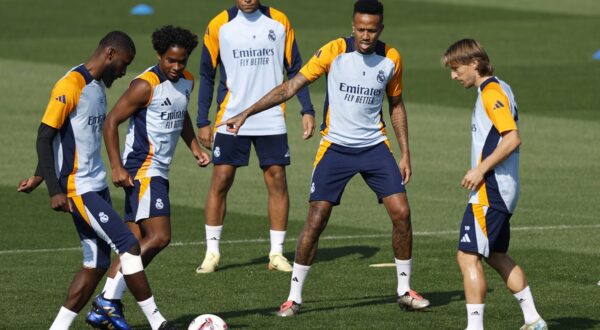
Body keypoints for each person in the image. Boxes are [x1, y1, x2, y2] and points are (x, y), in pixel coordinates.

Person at [218, 0, 430, 316]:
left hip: (375, 147)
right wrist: (246, 113)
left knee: (402, 213)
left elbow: (396, 106)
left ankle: (404, 290)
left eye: (372, 30)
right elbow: (290, 87)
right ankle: (294, 297)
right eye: (360, 29)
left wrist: (406, 154)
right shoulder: (334, 51)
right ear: (353, 26)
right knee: (317, 219)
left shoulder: (391, 59)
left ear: (380, 28)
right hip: (335, 148)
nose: (366, 36)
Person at [16, 31, 176, 330]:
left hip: (97, 186)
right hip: (78, 188)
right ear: (110, 54)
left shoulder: (99, 87)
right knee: (128, 244)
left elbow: (69, 138)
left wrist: (39, 175)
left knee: (97, 264)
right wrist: (53, 189)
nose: (125, 71)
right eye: (124, 64)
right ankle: (158, 323)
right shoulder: (69, 85)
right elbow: (45, 135)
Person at [84, 25, 210, 329]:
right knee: (160, 236)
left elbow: (180, 114)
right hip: (143, 169)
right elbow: (111, 122)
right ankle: (108, 301)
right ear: (160, 56)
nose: (177, 67)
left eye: (182, 61)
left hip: (159, 171)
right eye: (171, 61)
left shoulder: (187, 82)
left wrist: (194, 147)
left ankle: (103, 307)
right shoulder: (145, 85)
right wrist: (116, 166)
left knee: (134, 242)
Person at [195, 0, 315, 274]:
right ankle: (212, 253)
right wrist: (203, 120)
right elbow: (206, 73)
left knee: (277, 180)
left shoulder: (279, 22)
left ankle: (276, 253)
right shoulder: (219, 25)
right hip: (231, 115)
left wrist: (306, 109)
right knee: (221, 179)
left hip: (270, 117)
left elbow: (296, 69)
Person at [442, 38, 547, 330]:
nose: (453, 76)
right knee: (495, 254)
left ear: (474, 63)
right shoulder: (499, 87)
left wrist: (480, 169)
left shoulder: (491, 93)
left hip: (493, 189)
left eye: (456, 68)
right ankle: (533, 320)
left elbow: (512, 137)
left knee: (467, 256)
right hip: (502, 188)